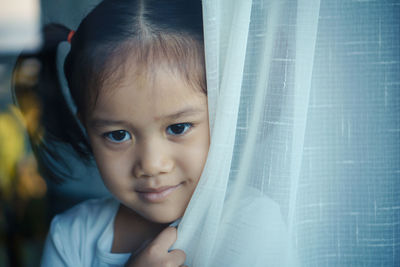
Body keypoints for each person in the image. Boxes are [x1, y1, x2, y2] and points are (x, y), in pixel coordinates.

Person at [13, 0, 208, 266]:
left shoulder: (252, 222)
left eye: (177, 128)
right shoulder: (71, 237)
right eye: (118, 135)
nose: (151, 165)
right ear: (87, 128)